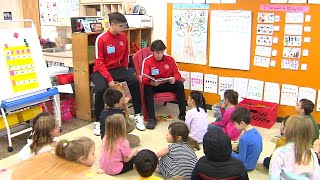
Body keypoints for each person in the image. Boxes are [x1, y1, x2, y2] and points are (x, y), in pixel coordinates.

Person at [91, 12, 145, 136]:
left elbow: (125, 56)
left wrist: (125, 71)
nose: (123, 28)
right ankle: (98, 121)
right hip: (101, 70)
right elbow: (99, 62)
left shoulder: (123, 37)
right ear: (112, 25)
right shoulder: (102, 39)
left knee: (134, 82)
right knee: (101, 89)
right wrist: (109, 79)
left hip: (117, 68)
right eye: (121, 26)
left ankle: (137, 114)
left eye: (124, 25)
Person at [141, 40, 187, 129]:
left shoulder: (170, 59)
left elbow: (177, 73)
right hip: (155, 85)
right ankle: (152, 119)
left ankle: (182, 113)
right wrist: (151, 82)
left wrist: (174, 79)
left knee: (179, 85)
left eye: (162, 53)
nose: (160, 55)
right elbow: (144, 77)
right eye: (158, 53)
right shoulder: (147, 61)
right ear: (153, 51)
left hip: (167, 83)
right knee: (147, 88)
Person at [230, 107, 263, 171]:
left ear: (242, 123)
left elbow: (241, 159)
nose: (234, 126)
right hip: (253, 164)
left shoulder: (244, 138)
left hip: (246, 166)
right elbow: (260, 149)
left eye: (235, 124)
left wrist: (229, 152)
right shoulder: (256, 132)